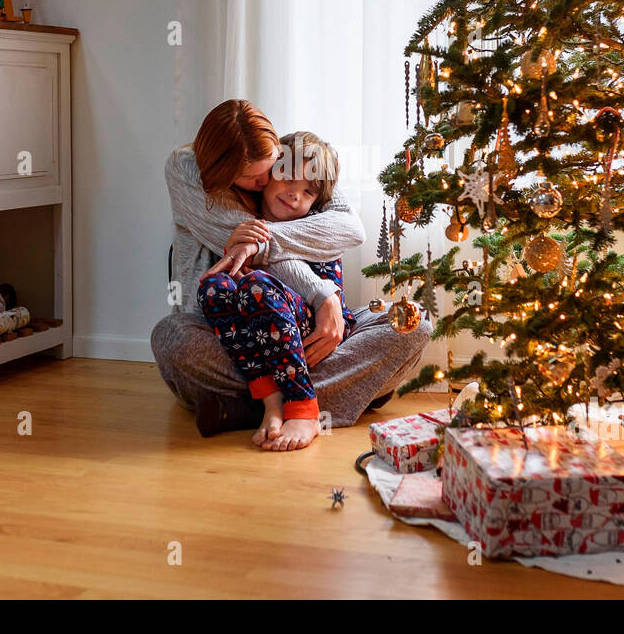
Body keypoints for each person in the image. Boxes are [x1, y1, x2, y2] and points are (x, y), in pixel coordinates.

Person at [152, 100, 431, 439]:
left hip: (309, 338)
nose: (268, 178)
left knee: (411, 323)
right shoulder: (188, 172)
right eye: (257, 176)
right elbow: (251, 251)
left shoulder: (296, 159)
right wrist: (321, 293)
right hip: (232, 337)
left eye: (270, 167)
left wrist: (323, 298)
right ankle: (321, 397)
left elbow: (350, 228)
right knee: (172, 337)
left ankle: (247, 408)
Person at [198, 131, 357, 451]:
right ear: (268, 174)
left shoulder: (318, 227)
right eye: (287, 178)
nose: (295, 195)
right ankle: (271, 402)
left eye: (308, 191)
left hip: (311, 326)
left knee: (256, 285)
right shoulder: (243, 218)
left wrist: (262, 256)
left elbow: (329, 300)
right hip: (252, 330)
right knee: (212, 286)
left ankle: (303, 406)